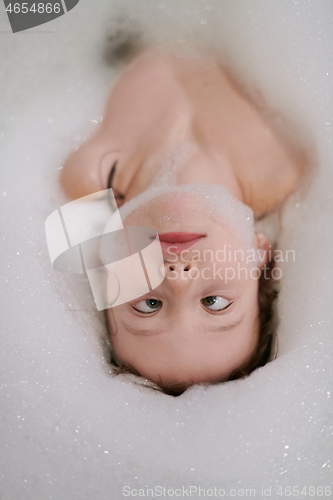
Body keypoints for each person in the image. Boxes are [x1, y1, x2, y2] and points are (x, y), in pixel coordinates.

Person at [60, 47, 305, 396]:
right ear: (257, 252)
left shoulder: (86, 176)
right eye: (214, 302)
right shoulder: (283, 162)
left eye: (149, 305)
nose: (178, 280)